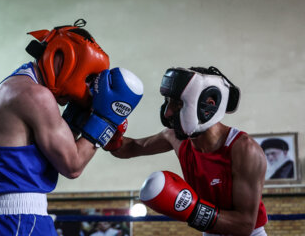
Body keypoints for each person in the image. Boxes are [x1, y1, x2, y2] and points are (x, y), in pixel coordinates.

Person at [0, 19, 143, 236]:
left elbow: (50, 151)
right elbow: (72, 166)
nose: (88, 87)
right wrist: (106, 119)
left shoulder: (14, 85)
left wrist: (77, 114)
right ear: (63, 59)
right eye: (88, 77)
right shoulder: (37, 96)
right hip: (21, 221)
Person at [109, 67, 268, 236]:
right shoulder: (176, 138)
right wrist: (106, 128)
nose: (167, 112)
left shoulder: (244, 149)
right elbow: (129, 148)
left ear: (208, 106)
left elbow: (243, 226)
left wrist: (192, 210)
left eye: (178, 104)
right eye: (168, 102)